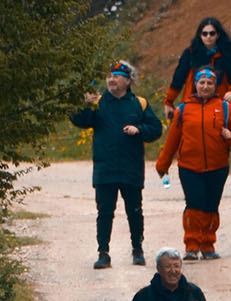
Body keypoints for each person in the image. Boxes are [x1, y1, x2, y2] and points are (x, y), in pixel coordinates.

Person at [69, 61, 164, 269]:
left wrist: (139, 129)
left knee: (135, 210)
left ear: (128, 80)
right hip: (105, 168)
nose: (111, 80)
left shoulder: (139, 103)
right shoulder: (99, 101)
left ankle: (137, 250)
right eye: (109, 76)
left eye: (117, 76)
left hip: (131, 167)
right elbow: (79, 120)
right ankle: (103, 253)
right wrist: (86, 104)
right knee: (104, 212)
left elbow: (156, 129)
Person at [154, 69, 231, 261]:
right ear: (195, 85)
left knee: (211, 206)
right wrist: (163, 164)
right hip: (189, 167)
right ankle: (192, 245)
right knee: (194, 205)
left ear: (215, 86)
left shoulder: (225, 108)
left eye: (209, 83)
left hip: (218, 166)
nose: (205, 86)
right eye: (201, 82)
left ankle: (208, 245)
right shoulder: (183, 109)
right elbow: (172, 140)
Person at [165, 17, 231, 109]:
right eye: (204, 34)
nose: (208, 37)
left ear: (218, 35)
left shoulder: (227, 54)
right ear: (200, 35)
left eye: (212, 33)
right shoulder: (190, 53)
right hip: (192, 103)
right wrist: (169, 102)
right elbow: (178, 79)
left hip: (219, 105)